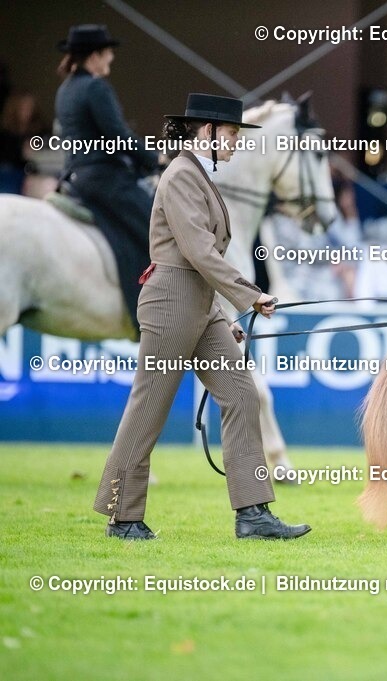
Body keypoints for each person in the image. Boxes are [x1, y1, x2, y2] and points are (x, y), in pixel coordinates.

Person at [92, 93, 310, 541]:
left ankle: (252, 513)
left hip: (200, 304)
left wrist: (222, 314)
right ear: (208, 131)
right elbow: (198, 251)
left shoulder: (197, 175)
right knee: (148, 408)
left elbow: (200, 262)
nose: (236, 142)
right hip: (171, 304)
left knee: (242, 395)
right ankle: (121, 516)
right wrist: (250, 295)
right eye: (231, 133)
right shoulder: (181, 176)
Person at [55, 25, 159, 336]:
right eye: (108, 53)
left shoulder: (66, 89)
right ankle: (152, 310)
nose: (111, 58)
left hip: (75, 178)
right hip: (104, 179)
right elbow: (118, 136)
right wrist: (154, 159)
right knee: (162, 232)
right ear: (95, 56)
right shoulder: (96, 88)